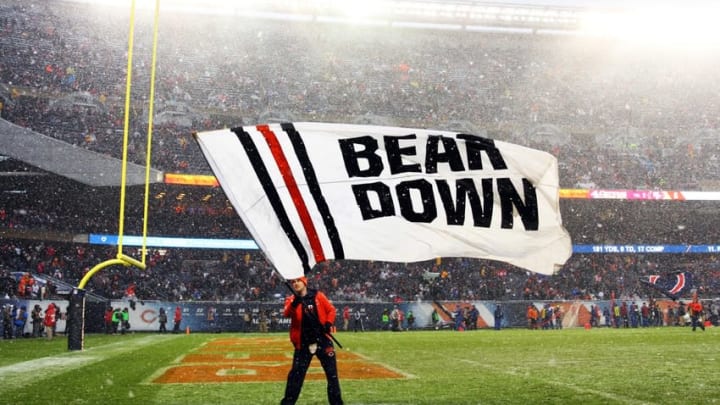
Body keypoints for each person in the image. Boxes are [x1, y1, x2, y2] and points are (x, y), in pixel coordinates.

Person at [281, 276, 343, 405]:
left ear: (304, 282)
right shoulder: (291, 299)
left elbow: (331, 310)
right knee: (296, 376)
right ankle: (288, 402)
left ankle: (336, 403)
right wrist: (295, 303)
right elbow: (287, 313)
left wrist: (328, 323)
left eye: (298, 281)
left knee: (332, 375)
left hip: (323, 341)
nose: (296, 284)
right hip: (303, 344)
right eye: (293, 282)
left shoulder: (318, 295)